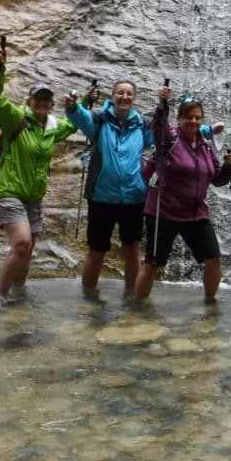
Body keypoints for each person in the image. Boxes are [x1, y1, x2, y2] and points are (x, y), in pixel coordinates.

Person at [0, 43, 79, 304]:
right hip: (9, 192)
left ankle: (18, 298)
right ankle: (1, 300)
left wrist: (81, 103)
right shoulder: (15, 118)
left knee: (27, 252)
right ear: (29, 101)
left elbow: (73, 124)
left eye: (46, 99)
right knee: (22, 244)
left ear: (51, 104)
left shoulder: (51, 127)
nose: (42, 102)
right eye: (37, 98)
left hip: (34, 198)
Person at [134, 87, 231, 303]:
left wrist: (228, 167)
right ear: (179, 118)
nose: (194, 121)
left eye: (198, 117)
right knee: (153, 262)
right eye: (189, 117)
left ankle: (210, 306)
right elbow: (159, 125)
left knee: (214, 258)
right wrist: (162, 105)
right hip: (164, 211)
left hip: (195, 213)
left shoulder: (206, 148)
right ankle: (136, 309)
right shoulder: (168, 140)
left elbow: (218, 180)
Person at [64, 80, 154, 299]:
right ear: (112, 96)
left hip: (133, 197)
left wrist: (164, 108)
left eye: (129, 93)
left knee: (132, 250)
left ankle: (132, 298)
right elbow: (80, 117)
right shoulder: (99, 120)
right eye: (120, 93)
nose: (125, 96)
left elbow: (164, 135)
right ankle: (88, 299)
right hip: (102, 197)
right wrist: (72, 106)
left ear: (134, 98)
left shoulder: (142, 124)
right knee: (96, 250)